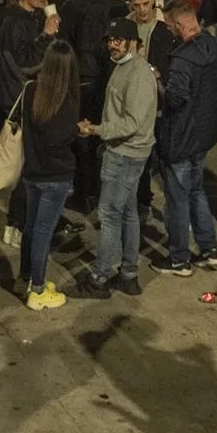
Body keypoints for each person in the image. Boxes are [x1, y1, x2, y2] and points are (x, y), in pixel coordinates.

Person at [75, 18, 157, 298]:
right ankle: (128, 275)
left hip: (124, 154)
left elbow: (131, 123)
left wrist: (96, 130)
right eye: (110, 40)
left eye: (118, 40)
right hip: (129, 152)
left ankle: (99, 278)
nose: (112, 45)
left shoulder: (138, 74)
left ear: (132, 41)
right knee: (128, 213)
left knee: (109, 215)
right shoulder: (125, 68)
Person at [157, 0, 217, 276]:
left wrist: (158, 82)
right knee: (197, 191)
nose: (169, 31)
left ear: (178, 24)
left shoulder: (183, 59)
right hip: (205, 135)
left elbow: (175, 98)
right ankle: (209, 250)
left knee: (178, 199)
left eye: (170, 25)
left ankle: (179, 259)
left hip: (182, 138)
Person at [19, 41, 81, 310]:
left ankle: (27, 276)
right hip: (55, 175)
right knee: (43, 232)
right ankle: (38, 289)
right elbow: (60, 139)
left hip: (32, 171)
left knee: (31, 227)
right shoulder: (66, 101)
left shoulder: (31, 90)